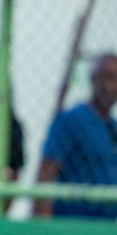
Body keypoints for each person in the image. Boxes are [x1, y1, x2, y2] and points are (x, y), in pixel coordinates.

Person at [37, 54, 117, 219]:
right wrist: (44, 228)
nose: (111, 87)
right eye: (107, 77)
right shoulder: (70, 121)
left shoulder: (112, 127)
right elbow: (46, 173)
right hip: (75, 223)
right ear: (93, 79)